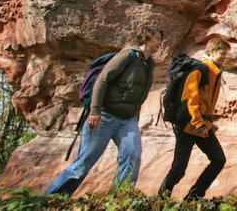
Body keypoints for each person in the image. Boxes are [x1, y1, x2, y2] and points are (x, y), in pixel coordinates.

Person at [45, 27, 163, 196]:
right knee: (84, 162)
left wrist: (134, 116)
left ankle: (119, 199)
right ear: (146, 38)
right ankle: (50, 199)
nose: (160, 43)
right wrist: (95, 111)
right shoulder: (127, 56)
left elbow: (141, 93)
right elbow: (102, 81)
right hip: (104, 116)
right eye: (157, 38)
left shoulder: (149, 64)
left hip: (127, 119)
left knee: (132, 156)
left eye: (161, 39)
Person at [158, 37, 230, 201]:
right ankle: (160, 199)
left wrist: (206, 122)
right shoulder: (199, 70)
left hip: (202, 124)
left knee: (218, 159)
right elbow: (190, 98)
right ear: (211, 52)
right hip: (188, 124)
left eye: (226, 54)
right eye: (222, 53)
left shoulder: (216, 72)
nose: (225, 57)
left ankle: (193, 196)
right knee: (179, 169)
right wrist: (198, 124)